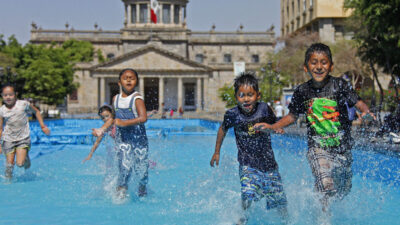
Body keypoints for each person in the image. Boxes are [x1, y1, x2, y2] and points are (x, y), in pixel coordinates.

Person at [254, 43, 375, 212]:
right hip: (317, 148)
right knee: (326, 183)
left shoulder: (340, 85)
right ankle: (323, 219)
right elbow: (292, 116)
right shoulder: (302, 91)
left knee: (342, 191)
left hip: (342, 149)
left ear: (331, 66)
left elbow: (358, 102)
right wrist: (273, 126)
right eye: (314, 62)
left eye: (324, 62)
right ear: (306, 67)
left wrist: (366, 112)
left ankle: (321, 199)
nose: (319, 66)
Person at [210, 72, 288, 224]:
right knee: (248, 193)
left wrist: (275, 128)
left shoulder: (264, 109)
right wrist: (217, 151)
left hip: (269, 164)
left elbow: (275, 124)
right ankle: (243, 217)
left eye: (250, 95)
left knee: (278, 198)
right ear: (235, 97)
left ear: (258, 95)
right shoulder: (232, 114)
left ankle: (286, 220)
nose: (246, 99)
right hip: (247, 164)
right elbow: (222, 130)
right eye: (241, 95)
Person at [93, 68, 149, 199]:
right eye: (125, 78)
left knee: (141, 170)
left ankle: (142, 191)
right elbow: (113, 119)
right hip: (123, 139)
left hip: (138, 139)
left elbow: (143, 118)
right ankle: (121, 194)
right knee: (124, 167)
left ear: (136, 82)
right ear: (119, 83)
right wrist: (101, 129)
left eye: (132, 78)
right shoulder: (115, 99)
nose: (129, 80)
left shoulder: (137, 99)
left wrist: (124, 123)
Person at [0, 84, 50, 180]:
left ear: (15, 94)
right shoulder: (1, 110)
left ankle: (25, 157)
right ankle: (8, 182)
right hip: (8, 139)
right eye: (5, 95)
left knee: (20, 164)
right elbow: (0, 128)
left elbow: (36, 112)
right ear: (2, 96)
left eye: (11, 94)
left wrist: (43, 126)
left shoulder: (23, 104)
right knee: (9, 165)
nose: (8, 97)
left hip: (23, 138)